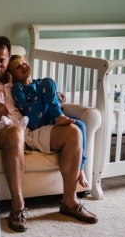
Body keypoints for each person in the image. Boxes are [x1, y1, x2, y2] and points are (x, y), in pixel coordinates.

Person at [0, 36, 97, 232]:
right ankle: (18, 207)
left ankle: (69, 201)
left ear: (9, 59)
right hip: (5, 131)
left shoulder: (20, 79)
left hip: (34, 129)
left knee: (73, 132)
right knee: (16, 133)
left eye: (2, 60)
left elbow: (44, 96)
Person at [7, 54, 88, 188]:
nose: (23, 66)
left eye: (23, 63)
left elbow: (51, 98)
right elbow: (26, 108)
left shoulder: (39, 83)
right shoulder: (18, 88)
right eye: (17, 67)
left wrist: (56, 97)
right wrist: (43, 97)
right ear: (13, 76)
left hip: (48, 119)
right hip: (33, 119)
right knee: (48, 82)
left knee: (80, 125)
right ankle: (59, 116)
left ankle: (80, 168)